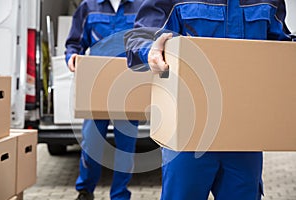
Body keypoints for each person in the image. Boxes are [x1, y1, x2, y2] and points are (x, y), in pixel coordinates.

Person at [124, 0, 293, 200]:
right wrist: (150, 49)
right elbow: (139, 37)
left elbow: (282, 46)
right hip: (188, 137)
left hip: (245, 139)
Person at [65, 0, 142, 199]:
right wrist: (72, 57)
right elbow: (74, 43)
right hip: (96, 88)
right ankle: (85, 190)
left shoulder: (141, 6)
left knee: (126, 149)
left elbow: (148, 41)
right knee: (91, 144)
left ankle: (120, 195)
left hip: (129, 89)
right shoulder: (88, 7)